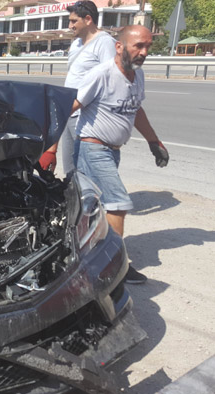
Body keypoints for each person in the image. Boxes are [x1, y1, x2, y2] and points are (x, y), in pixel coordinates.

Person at [72, 25, 170, 284]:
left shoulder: (138, 76)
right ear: (119, 46)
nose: (144, 52)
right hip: (92, 147)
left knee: (91, 206)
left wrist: (153, 141)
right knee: (118, 203)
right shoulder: (101, 75)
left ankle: (80, 253)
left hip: (112, 151)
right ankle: (116, 266)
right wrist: (49, 146)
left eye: (148, 46)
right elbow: (72, 105)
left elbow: (136, 110)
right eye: (138, 45)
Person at [39, 0, 116, 173]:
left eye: (74, 21)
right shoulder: (76, 44)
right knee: (70, 168)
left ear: (88, 19)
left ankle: (89, 199)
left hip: (88, 117)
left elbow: (111, 82)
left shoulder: (105, 43)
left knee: (86, 169)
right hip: (70, 111)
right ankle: (74, 197)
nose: (70, 25)